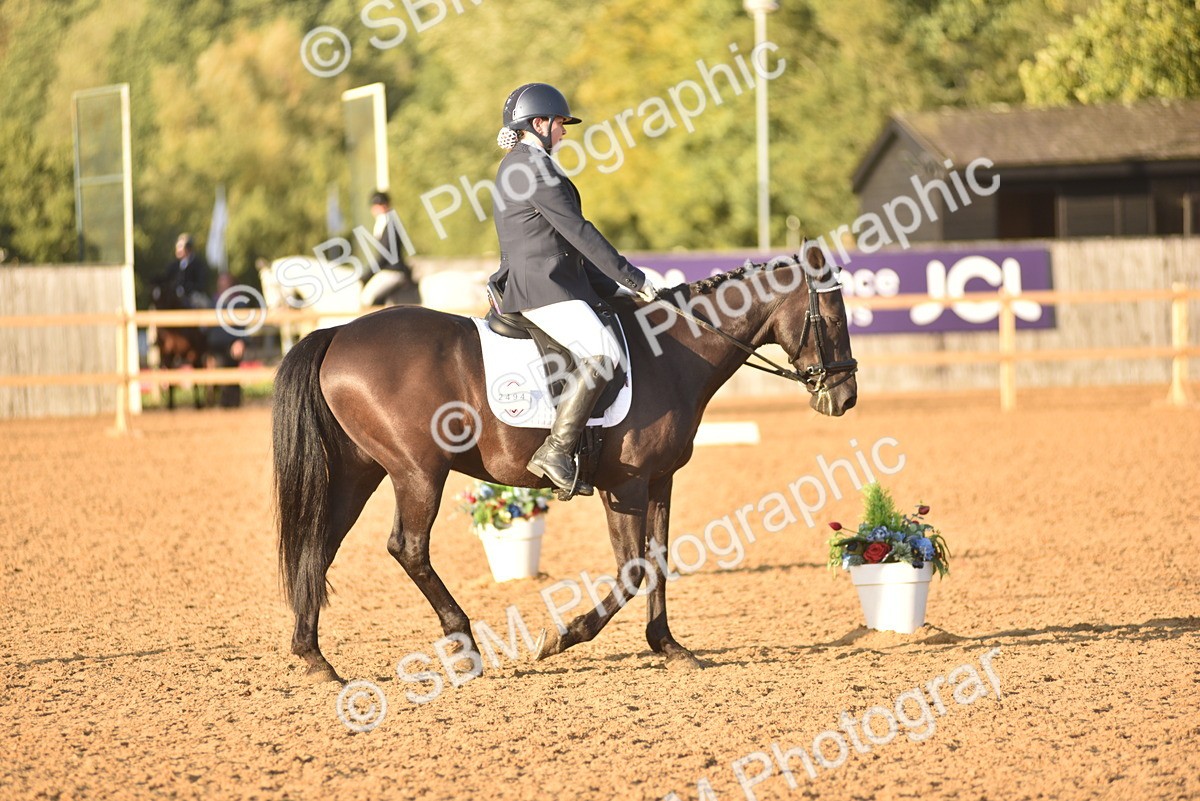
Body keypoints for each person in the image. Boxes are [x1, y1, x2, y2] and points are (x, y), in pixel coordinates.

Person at [489, 82, 661, 495]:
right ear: (539, 123)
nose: (564, 132)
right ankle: (557, 450)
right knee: (603, 351)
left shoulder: (527, 164)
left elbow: (563, 244)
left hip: (552, 280)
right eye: (561, 124)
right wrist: (632, 277)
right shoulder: (530, 167)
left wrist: (613, 289)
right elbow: (580, 233)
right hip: (540, 287)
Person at [360, 191, 420, 307]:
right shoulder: (384, 223)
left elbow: (384, 255)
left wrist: (367, 274)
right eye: (376, 205)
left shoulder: (390, 224)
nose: (379, 208)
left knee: (366, 298)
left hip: (393, 271)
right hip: (387, 270)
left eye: (382, 204)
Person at [160, 233, 211, 308]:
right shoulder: (173, 265)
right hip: (174, 296)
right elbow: (167, 280)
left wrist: (187, 288)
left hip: (193, 296)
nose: (177, 250)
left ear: (188, 248)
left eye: (180, 247)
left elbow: (201, 284)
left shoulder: (198, 264)